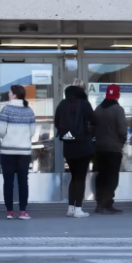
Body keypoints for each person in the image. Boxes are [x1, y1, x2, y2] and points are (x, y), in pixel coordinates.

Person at [55, 78, 96, 218]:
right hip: (83, 146)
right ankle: (78, 209)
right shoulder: (84, 104)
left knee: (73, 177)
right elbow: (94, 120)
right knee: (80, 177)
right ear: (83, 90)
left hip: (68, 146)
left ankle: (70, 208)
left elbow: (56, 122)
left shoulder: (62, 104)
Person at [0, 85, 36, 220]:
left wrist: (7, 137)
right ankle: (23, 211)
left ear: (14, 95)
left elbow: (0, 130)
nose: (8, 95)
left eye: (9, 93)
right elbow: (32, 132)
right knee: (23, 182)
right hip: (24, 152)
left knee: (8, 182)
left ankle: (9, 212)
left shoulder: (6, 110)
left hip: (7, 151)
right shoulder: (29, 111)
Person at [93, 84, 127, 215]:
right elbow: (123, 130)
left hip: (100, 149)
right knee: (111, 178)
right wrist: (121, 143)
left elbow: (92, 128)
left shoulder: (98, 109)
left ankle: (99, 204)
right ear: (117, 95)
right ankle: (107, 204)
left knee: (101, 176)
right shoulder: (118, 110)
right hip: (113, 149)